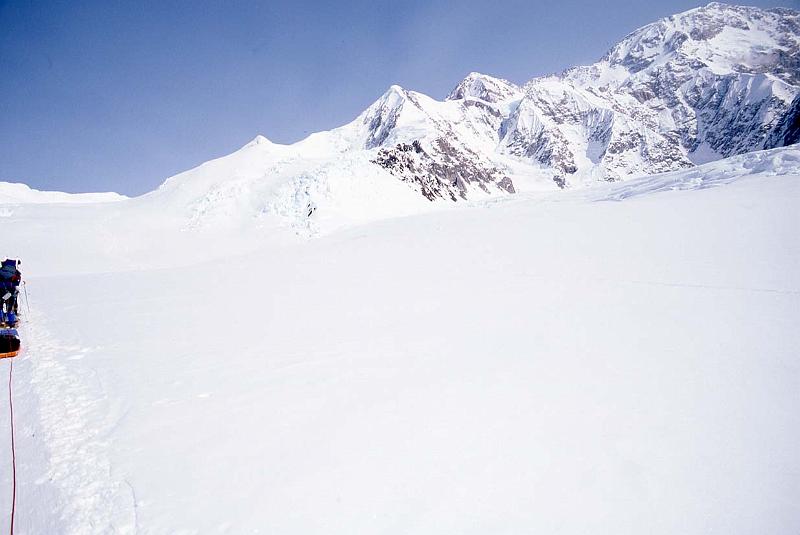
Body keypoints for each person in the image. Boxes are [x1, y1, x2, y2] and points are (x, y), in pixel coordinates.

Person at [0, 259, 21, 326]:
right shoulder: (16, 272)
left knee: (0, 304)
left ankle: (1, 320)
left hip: (1, 292)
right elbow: (17, 283)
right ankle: (11, 321)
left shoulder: (1, 271)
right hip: (10, 293)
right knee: (10, 305)